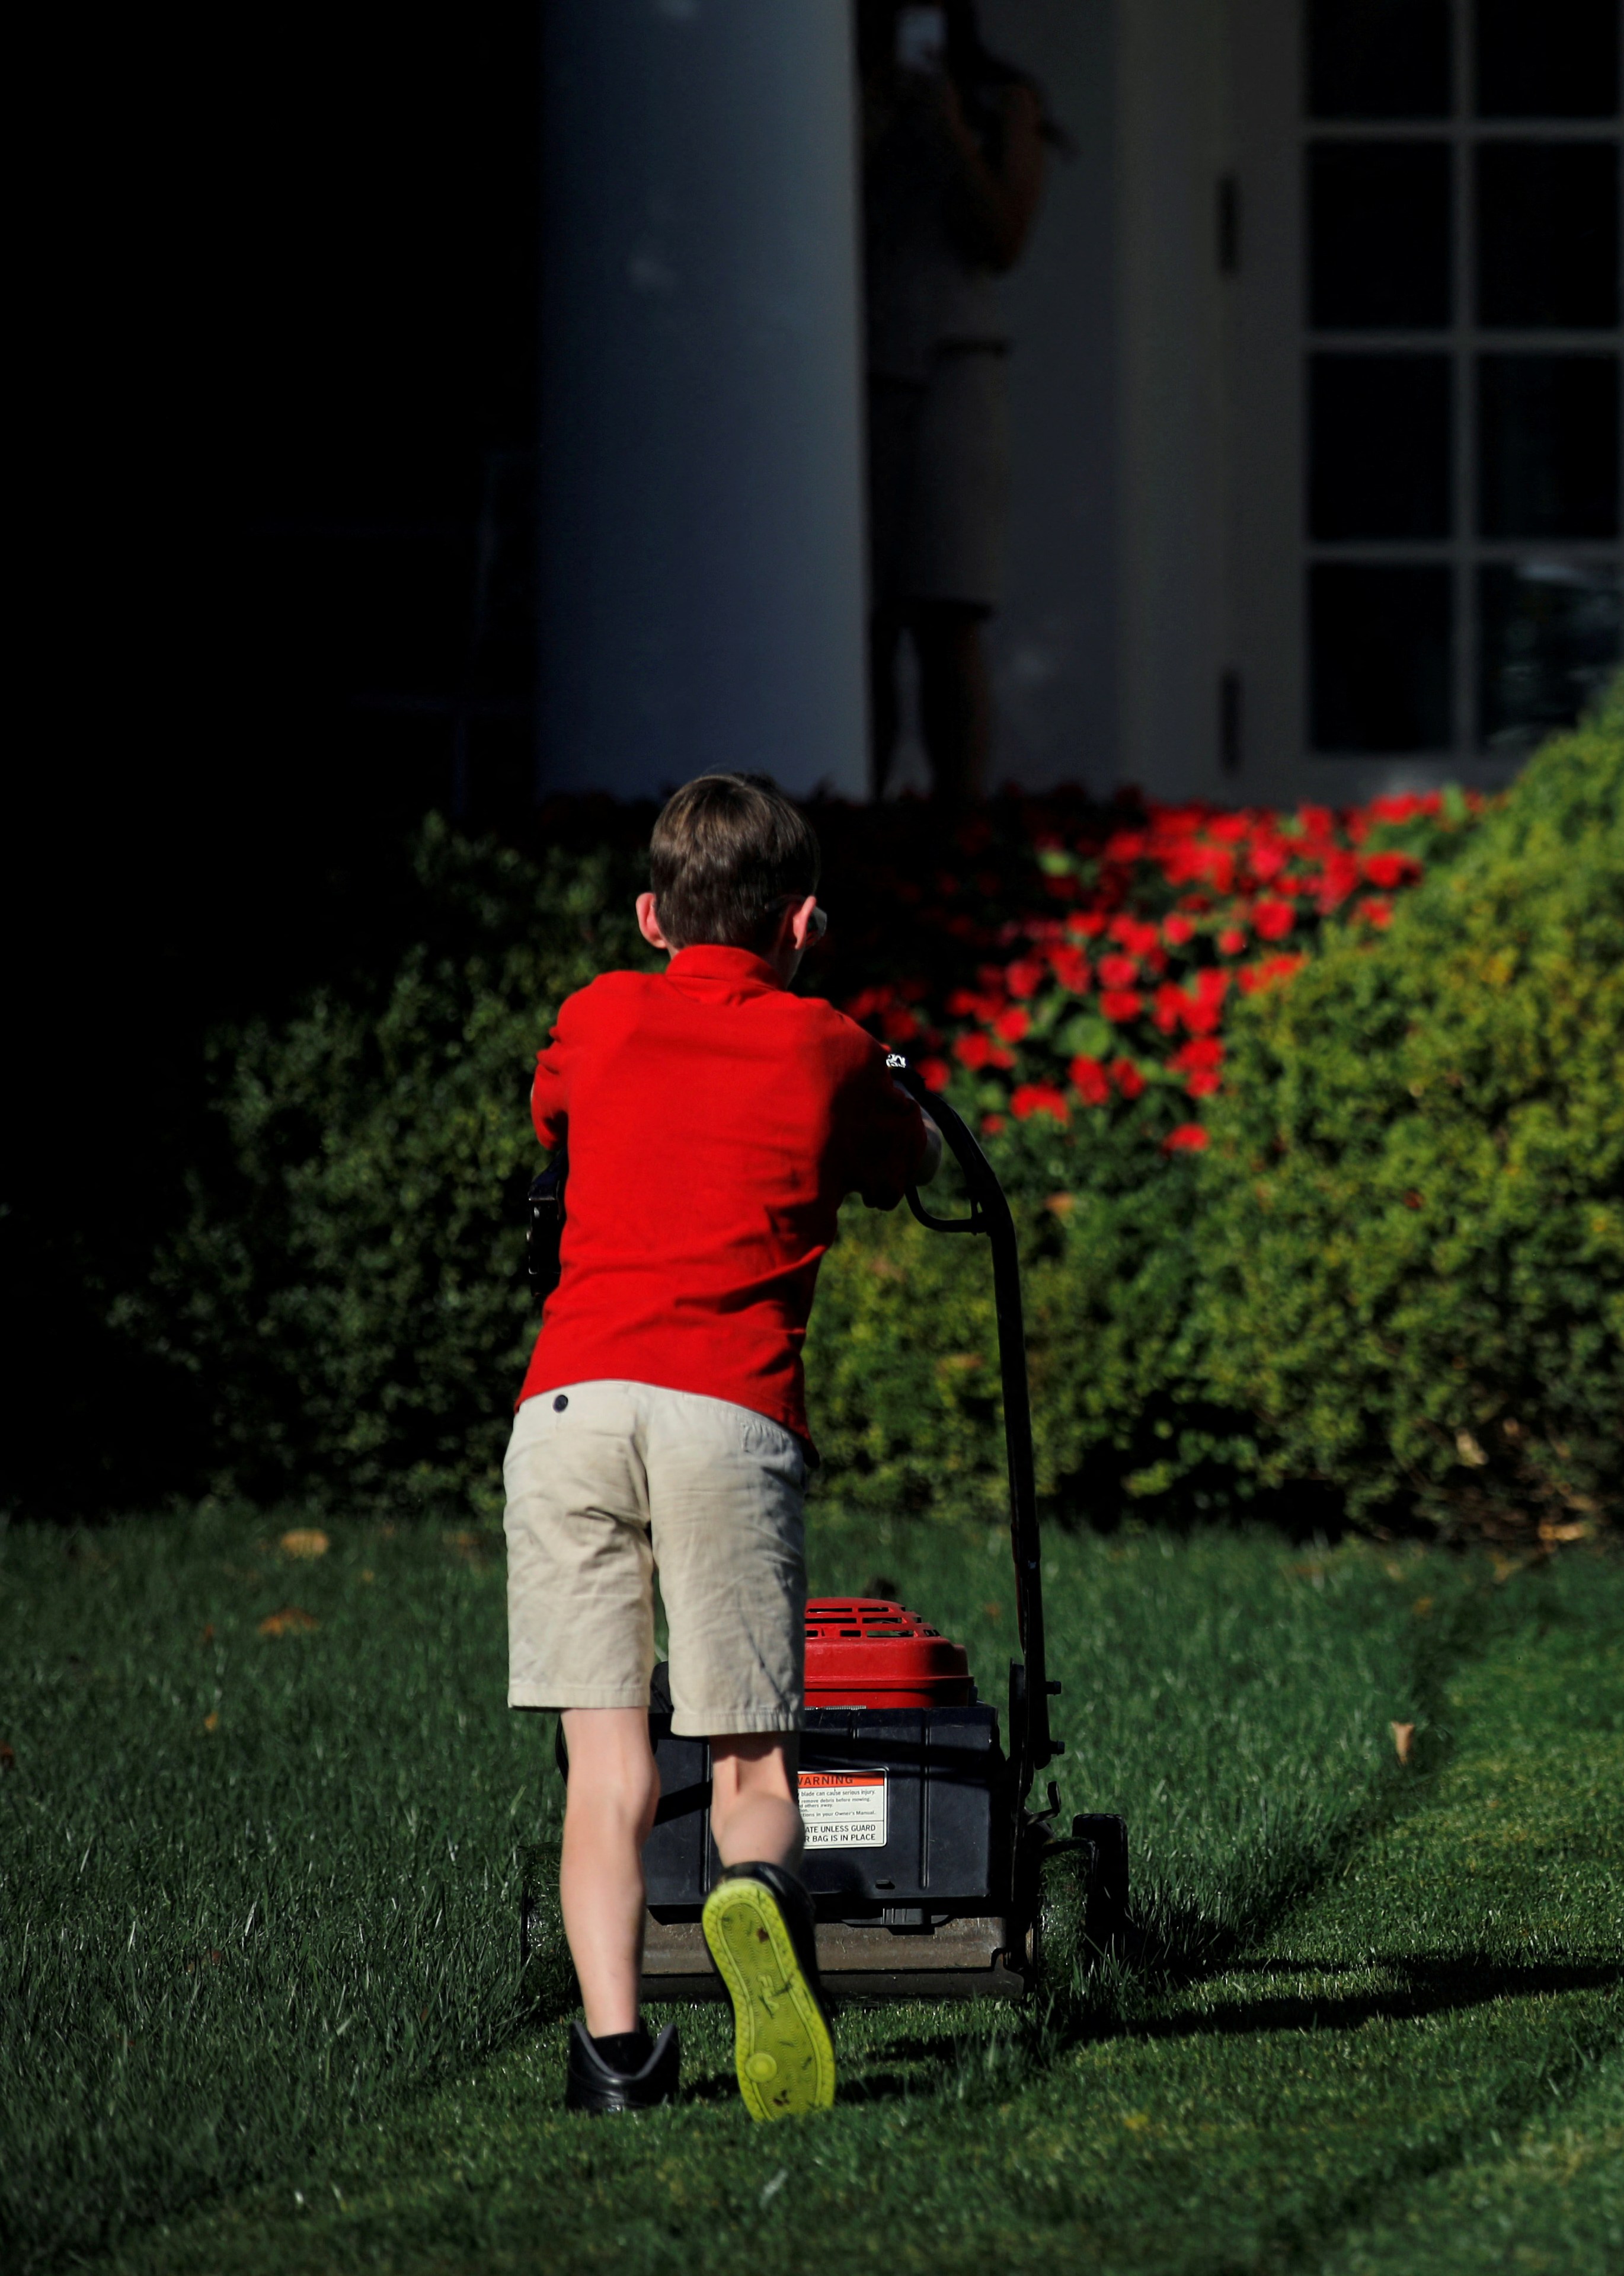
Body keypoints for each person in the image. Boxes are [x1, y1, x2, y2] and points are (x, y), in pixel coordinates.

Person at [506, 775, 942, 2115]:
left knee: (609, 1762)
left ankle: (616, 2058)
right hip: (723, 1409)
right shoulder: (828, 1044)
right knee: (751, 1760)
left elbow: (553, 1119)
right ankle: (754, 1891)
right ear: (803, 922)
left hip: (567, 1412)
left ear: (650, 914)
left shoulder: (597, 1011)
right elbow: (910, 1159)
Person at [859, 0, 1053, 802]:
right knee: (865, 619)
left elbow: (1005, 237)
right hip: (865, 372)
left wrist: (948, 130)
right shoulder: (848, 96)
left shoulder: (1003, 103)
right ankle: (851, 805)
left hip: (956, 370)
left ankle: (957, 816)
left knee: (951, 610)